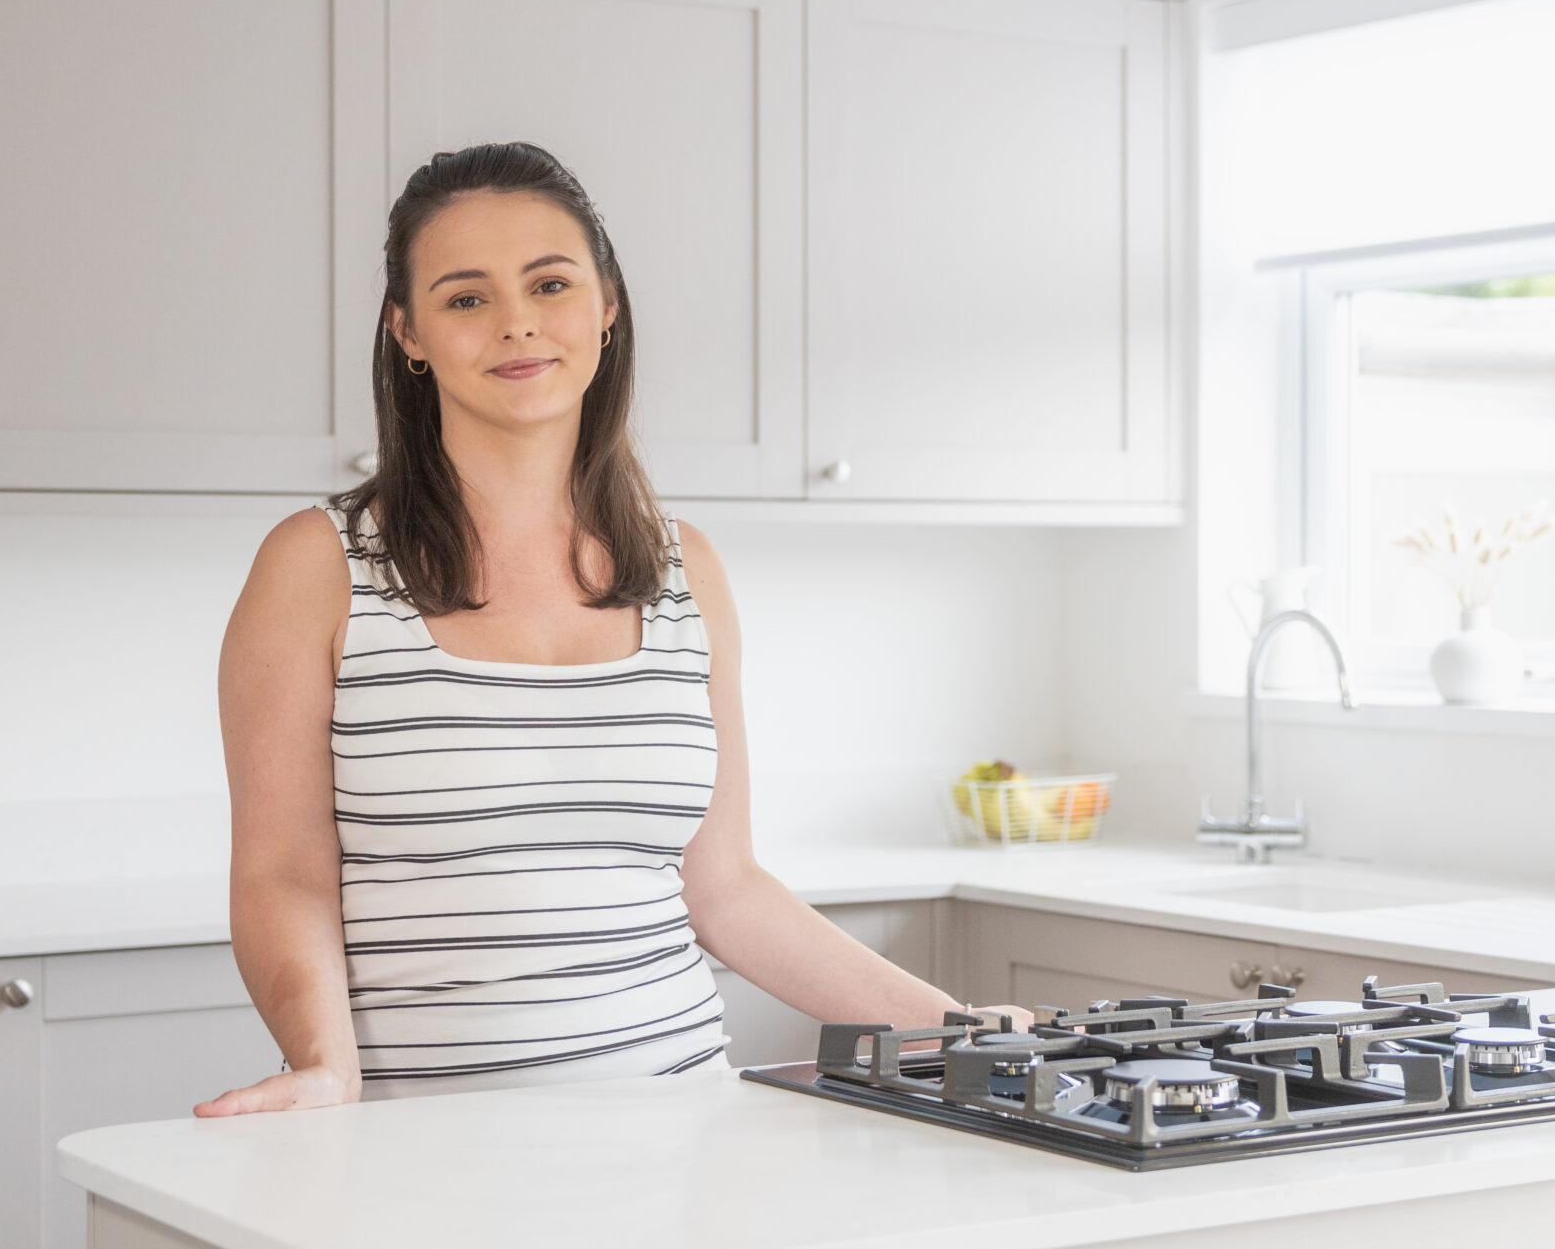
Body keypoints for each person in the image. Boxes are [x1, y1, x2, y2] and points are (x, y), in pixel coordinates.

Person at [198, 142, 1019, 1112]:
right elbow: (285, 876)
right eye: (465, 297)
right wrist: (323, 1065)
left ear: (607, 303)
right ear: (406, 331)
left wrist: (967, 1035)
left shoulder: (684, 571)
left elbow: (727, 892)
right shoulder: (319, 565)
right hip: (420, 1145)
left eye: (549, 282)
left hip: (681, 1131)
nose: (516, 322)